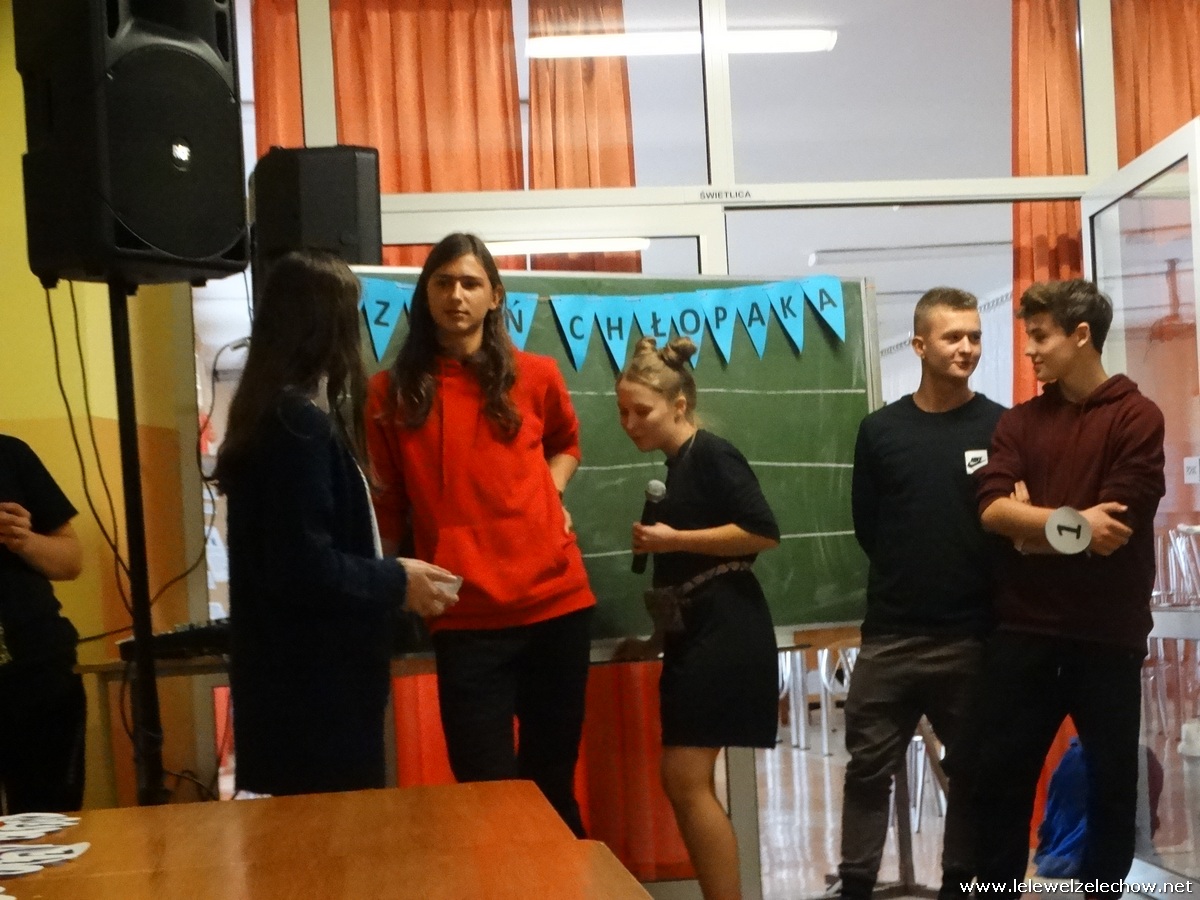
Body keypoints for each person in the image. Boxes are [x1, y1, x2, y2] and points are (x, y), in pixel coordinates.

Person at [364, 233, 596, 836]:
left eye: (470, 283)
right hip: (465, 616)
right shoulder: (389, 392)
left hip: (555, 606)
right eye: (442, 283)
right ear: (426, 295)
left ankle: (564, 882)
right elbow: (388, 506)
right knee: (487, 798)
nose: (456, 295)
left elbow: (568, 444)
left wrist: (551, 492)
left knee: (552, 785)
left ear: (495, 296)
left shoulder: (537, 374)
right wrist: (386, 585)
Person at [213, 250, 456, 797]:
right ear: (327, 326)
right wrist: (395, 580)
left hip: (298, 691)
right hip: (315, 697)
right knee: (330, 842)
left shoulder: (276, 415)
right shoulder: (297, 425)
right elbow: (304, 566)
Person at [974, 278, 1165, 895]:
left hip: (1107, 639)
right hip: (1023, 634)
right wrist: (1070, 524)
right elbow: (991, 510)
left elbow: (1112, 531)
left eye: (1040, 336)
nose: (1029, 350)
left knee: (1112, 790)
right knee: (1001, 786)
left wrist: (1032, 531)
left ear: (1082, 335)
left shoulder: (1137, 417)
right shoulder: (1019, 422)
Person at [837, 287, 1004, 900]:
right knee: (867, 770)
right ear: (919, 345)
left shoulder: (1001, 426)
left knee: (972, 772)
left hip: (972, 636)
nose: (967, 347)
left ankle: (960, 883)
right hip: (891, 636)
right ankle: (856, 885)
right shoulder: (880, 431)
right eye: (952, 336)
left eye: (974, 336)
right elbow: (869, 527)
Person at [613, 336, 780, 900]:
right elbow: (678, 576)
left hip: (727, 628)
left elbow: (761, 532)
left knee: (684, 778)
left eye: (641, 411)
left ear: (679, 404)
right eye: (622, 412)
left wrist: (673, 538)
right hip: (695, 630)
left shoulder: (711, 454)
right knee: (683, 779)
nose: (629, 423)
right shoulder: (675, 468)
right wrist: (653, 640)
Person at [0, 435, 86, 813]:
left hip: (39, 674)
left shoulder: (10, 454)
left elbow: (71, 561)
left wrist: (24, 541)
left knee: (50, 824)